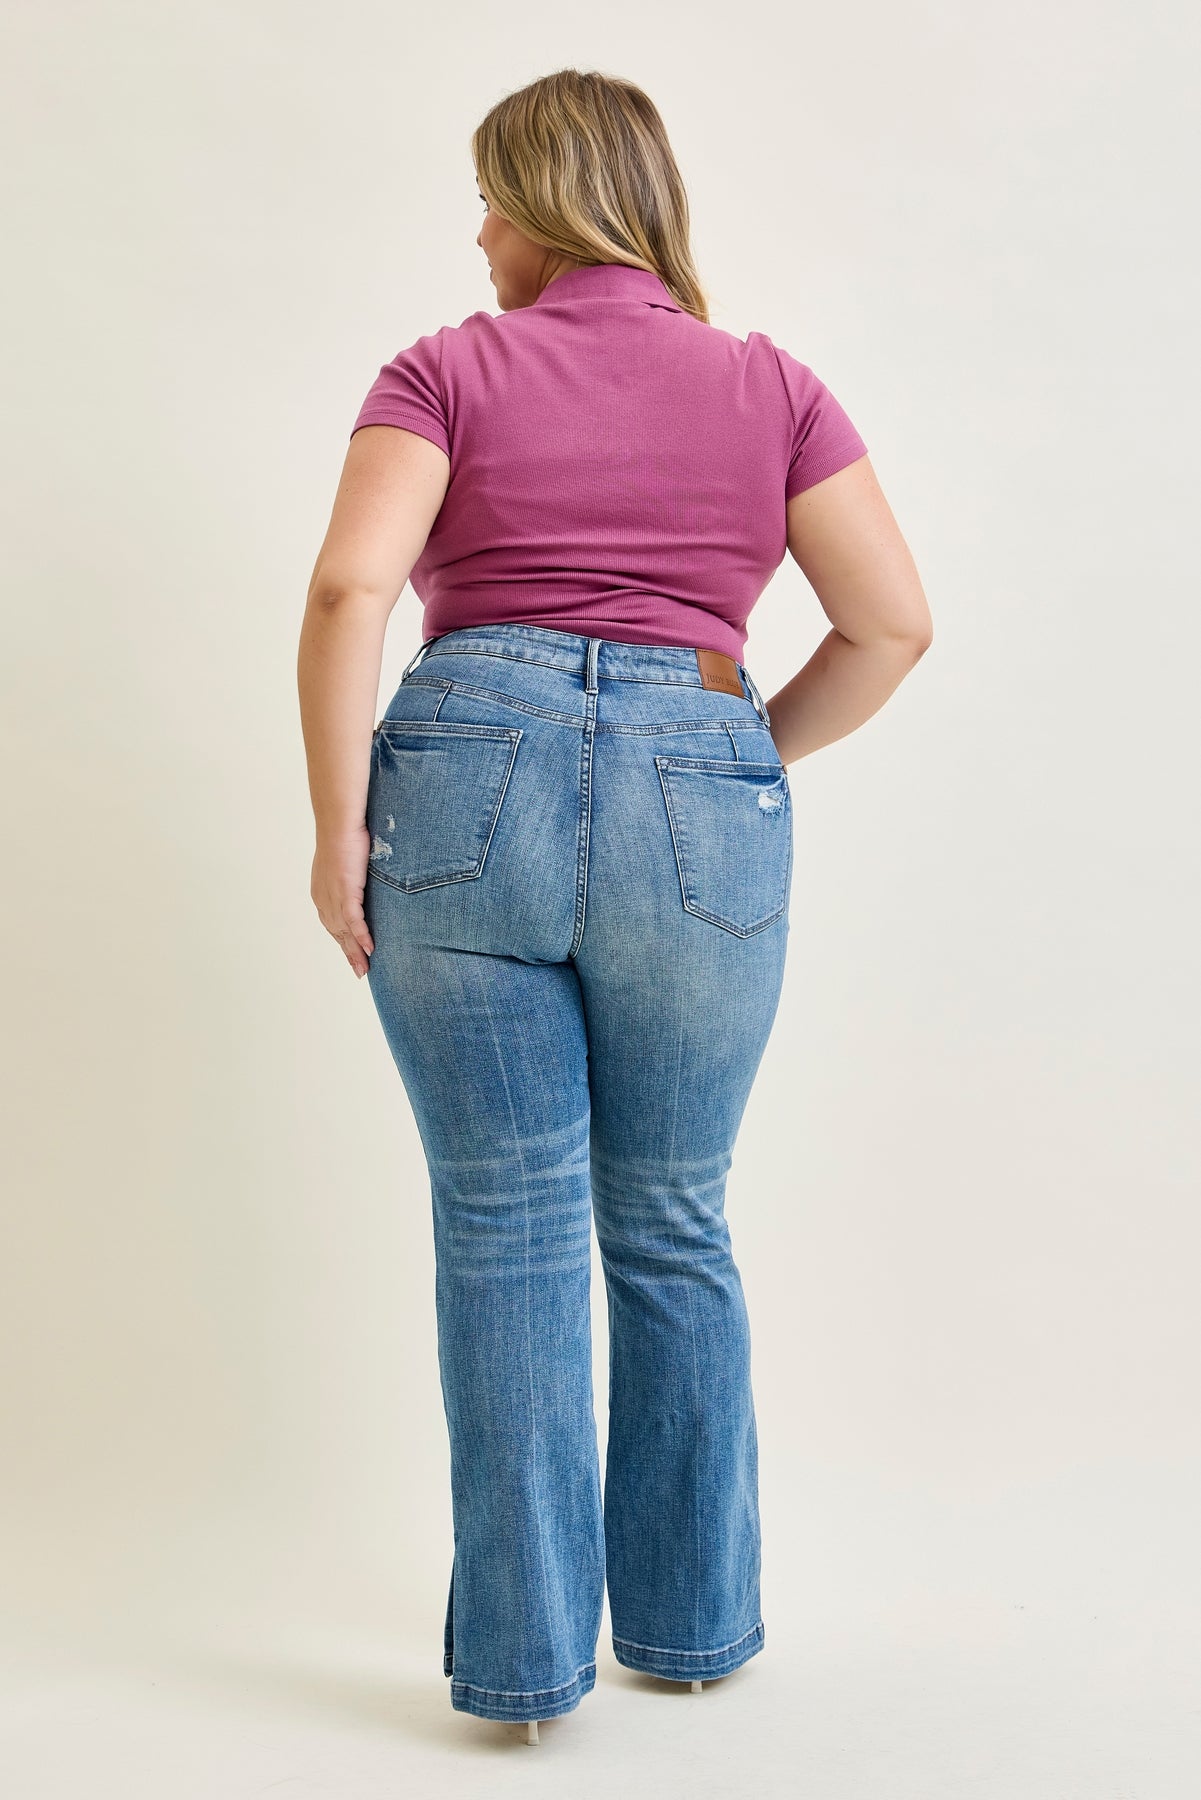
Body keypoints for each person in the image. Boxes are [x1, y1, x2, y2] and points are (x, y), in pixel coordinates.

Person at [297, 67, 933, 1741]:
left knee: (504, 1226)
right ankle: (691, 1632)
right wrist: (732, 752)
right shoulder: (770, 386)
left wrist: (335, 825)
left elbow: (355, 585)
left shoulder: (443, 369)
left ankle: (522, 1672)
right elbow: (891, 623)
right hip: (696, 777)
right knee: (670, 1217)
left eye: (488, 200)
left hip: (461, 780)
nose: (477, 236)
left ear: (540, 204)